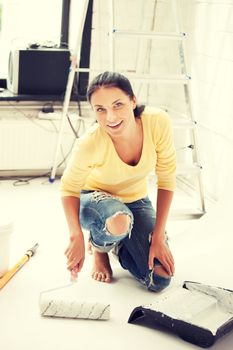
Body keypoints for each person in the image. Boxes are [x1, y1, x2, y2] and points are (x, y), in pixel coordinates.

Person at [60, 71, 176, 292]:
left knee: (159, 279)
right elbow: (69, 188)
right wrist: (75, 235)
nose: (110, 118)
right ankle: (100, 248)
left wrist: (158, 235)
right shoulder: (90, 143)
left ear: (133, 101)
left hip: (136, 200)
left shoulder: (157, 122)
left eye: (118, 105)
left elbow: (167, 177)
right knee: (118, 220)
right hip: (95, 200)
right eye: (100, 110)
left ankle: (118, 245)